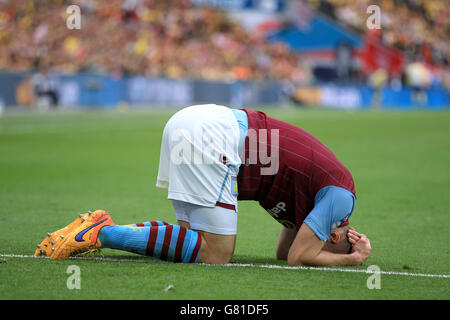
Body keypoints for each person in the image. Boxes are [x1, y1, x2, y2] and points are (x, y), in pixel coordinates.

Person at [38, 104, 371, 266]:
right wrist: (352, 260)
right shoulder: (342, 199)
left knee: (193, 246)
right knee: (217, 255)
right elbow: (299, 257)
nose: (316, 246)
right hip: (217, 136)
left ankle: (95, 228)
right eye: (327, 246)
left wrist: (320, 245)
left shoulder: (316, 201)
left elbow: (285, 252)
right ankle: (101, 232)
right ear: (335, 234)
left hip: (198, 124)